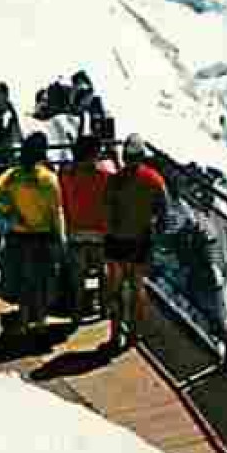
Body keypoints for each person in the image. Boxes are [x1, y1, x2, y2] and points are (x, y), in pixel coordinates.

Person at [0, 132, 65, 334]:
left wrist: (10, 213)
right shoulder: (49, 179)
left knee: (23, 280)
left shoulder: (13, 175)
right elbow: (56, 212)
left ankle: (22, 322)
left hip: (19, 235)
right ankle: (40, 322)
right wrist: (60, 239)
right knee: (42, 280)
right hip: (42, 236)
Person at [102, 134, 168, 351]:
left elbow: (107, 212)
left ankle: (114, 335)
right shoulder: (154, 179)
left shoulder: (114, 180)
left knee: (116, 288)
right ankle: (133, 335)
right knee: (138, 289)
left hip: (116, 241)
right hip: (141, 241)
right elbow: (163, 214)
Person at [57, 134, 114, 322]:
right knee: (103, 272)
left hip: (75, 229)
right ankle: (105, 310)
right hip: (100, 230)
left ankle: (76, 313)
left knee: (77, 275)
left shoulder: (66, 174)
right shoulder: (105, 175)